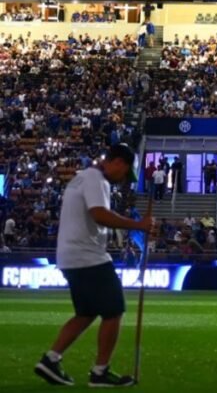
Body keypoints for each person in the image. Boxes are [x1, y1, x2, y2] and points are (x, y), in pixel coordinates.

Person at [35, 143, 154, 388]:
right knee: (114, 310)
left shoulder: (82, 177)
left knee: (86, 313)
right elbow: (99, 214)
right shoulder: (96, 180)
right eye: (124, 173)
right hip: (87, 255)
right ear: (118, 163)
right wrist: (138, 225)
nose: (123, 180)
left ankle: (50, 359)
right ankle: (100, 372)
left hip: (71, 256)